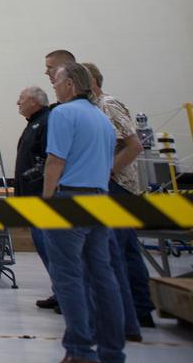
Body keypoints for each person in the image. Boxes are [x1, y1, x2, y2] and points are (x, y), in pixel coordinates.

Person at [43, 62, 127, 363]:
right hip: (99, 200)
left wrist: (47, 200)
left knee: (68, 277)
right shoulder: (101, 119)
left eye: (57, 80)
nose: (53, 84)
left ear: (70, 85)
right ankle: (113, 351)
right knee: (102, 277)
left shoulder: (63, 113)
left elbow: (55, 161)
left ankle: (79, 350)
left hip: (70, 200)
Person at [83, 62, 153, 335]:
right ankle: (136, 309)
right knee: (121, 251)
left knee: (120, 252)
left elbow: (134, 145)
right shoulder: (93, 108)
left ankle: (137, 311)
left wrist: (107, 171)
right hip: (109, 187)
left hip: (118, 188)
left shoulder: (108, 105)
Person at [14, 85, 54, 306]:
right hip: (30, 196)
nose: (18, 103)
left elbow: (50, 159)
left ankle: (63, 295)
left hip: (41, 196)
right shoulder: (34, 124)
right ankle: (60, 291)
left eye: (21, 99)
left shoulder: (46, 122)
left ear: (34, 101)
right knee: (43, 246)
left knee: (49, 246)